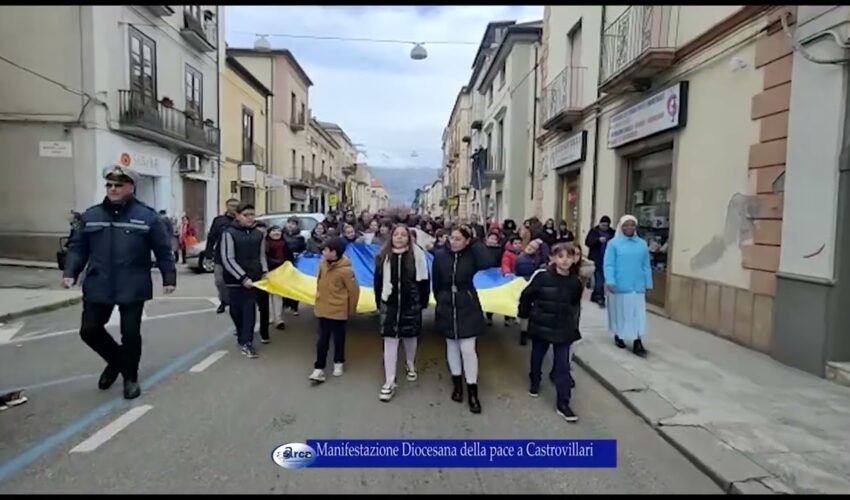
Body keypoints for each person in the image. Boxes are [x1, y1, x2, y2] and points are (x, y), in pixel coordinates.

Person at [61, 165, 176, 400]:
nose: (113, 189)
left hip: (133, 284)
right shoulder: (90, 216)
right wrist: (70, 271)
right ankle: (116, 361)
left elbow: (163, 250)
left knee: (130, 334)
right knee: (89, 331)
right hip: (98, 282)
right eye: (109, 185)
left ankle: (130, 378)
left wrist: (169, 277)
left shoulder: (148, 216)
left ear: (131, 187)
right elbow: (77, 247)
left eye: (118, 185)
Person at [518, 242, 584, 423]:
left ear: (573, 259)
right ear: (553, 259)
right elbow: (526, 295)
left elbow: (574, 304)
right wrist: (525, 315)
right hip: (542, 325)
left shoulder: (575, 283)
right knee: (537, 355)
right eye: (560, 256)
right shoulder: (542, 276)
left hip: (563, 328)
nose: (564, 260)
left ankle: (563, 403)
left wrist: (572, 325)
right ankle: (534, 381)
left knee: (563, 366)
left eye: (568, 257)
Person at [432, 225, 487, 413]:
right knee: (452, 346)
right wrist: (441, 300)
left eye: (458, 239)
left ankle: (472, 389)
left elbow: (488, 261)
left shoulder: (472, 255)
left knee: (468, 349)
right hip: (447, 303)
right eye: (451, 238)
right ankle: (457, 383)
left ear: (466, 241)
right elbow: (436, 282)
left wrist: (476, 242)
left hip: (467, 303)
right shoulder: (440, 256)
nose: (453, 242)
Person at [373, 225, 430, 401]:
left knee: (410, 337)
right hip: (389, 305)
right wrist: (379, 302)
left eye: (403, 235)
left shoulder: (417, 256)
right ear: (391, 237)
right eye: (396, 234)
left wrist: (421, 303)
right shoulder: (383, 257)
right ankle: (389, 381)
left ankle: (410, 363)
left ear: (409, 237)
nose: (399, 237)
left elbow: (424, 283)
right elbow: (378, 281)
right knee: (390, 342)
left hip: (410, 304)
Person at [309, 237, 360, 383]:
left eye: (325, 249)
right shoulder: (322, 264)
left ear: (334, 252)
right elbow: (319, 282)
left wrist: (351, 310)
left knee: (338, 338)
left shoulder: (346, 270)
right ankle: (319, 368)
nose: (323, 252)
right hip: (322, 308)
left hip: (338, 310)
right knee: (322, 340)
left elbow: (354, 291)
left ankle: (339, 362)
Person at [220, 202, 268, 359]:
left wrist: (264, 271)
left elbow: (261, 255)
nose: (249, 218)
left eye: (252, 215)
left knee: (249, 310)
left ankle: (247, 342)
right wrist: (242, 278)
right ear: (238, 216)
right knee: (236, 310)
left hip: (253, 280)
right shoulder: (229, 233)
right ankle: (241, 333)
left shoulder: (258, 234)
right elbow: (228, 258)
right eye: (246, 215)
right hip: (234, 280)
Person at [604, 215, 652, 357]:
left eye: (632, 225)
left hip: (637, 286)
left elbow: (646, 265)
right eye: (626, 225)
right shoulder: (614, 244)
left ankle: (638, 340)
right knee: (622, 313)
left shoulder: (642, 244)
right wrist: (610, 280)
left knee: (638, 314)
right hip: (620, 285)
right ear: (621, 226)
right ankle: (619, 334)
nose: (629, 228)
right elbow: (609, 264)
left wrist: (648, 283)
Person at [206, 198, 240, 314]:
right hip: (220, 256)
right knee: (219, 281)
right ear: (226, 206)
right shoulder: (219, 221)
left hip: (238, 256)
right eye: (231, 205)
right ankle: (224, 301)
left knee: (236, 282)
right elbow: (211, 238)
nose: (234, 208)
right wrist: (208, 254)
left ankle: (236, 303)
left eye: (236, 206)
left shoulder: (241, 220)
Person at [265, 225, 293, 330]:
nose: (276, 233)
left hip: (282, 272)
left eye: (278, 231)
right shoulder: (265, 244)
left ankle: (278, 319)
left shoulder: (285, 244)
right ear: (269, 233)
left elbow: (290, 258)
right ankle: (270, 316)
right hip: (268, 271)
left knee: (278, 295)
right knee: (268, 296)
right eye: (273, 231)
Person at [585, 215, 616, 307]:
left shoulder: (612, 233)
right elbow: (588, 242)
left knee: (602, 278)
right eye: (603, 225)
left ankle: (595, 295)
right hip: (597, 258)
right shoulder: (594, 231)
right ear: (600, 224)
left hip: (608, 259)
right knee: (599, 278)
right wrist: (598, 240)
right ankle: (600, 297)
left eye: (606, 225)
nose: (605, 227)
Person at [482, 231, 511, 328]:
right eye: (491, 238)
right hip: (485, 275)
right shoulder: (483, 249)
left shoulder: (500, 250)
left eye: (495, 239)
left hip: (497, 274)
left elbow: (502, 261)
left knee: (501, 296)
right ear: (487, 239)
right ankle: (489, 316)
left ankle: (507, 317)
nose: (493, 241)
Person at [253, 220, 272, 344]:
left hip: (263, 276)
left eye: (263, 230)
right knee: (248, 307)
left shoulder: (269, 242)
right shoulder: (247, 240)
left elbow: (263, 257)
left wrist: (265, 271)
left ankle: (264, 333)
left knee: (264, 307)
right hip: (249, 275)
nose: (261, 233)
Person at [282, 217, 307, 316]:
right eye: (289, 223)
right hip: (284, 262)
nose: (290, 225)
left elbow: (303, 250)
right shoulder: (282, 235)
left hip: (296, 263)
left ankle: (294, 306)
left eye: (293, 223)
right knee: (285, 284)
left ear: (297, 226)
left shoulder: (300, 238)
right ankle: (285, 303)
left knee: (295, 285)